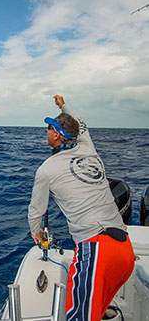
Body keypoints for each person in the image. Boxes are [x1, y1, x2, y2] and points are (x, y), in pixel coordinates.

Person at [28, 95, 135, 321]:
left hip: (97, 250)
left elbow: (36, 210)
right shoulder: (88, 146)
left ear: (56, 134)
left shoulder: (46, 170)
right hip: (125, 251)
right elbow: (81, 123)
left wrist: (36, 232)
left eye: (48, 128)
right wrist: (63, 105)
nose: (46, 132)